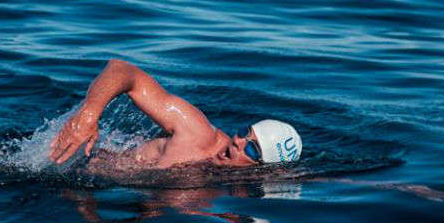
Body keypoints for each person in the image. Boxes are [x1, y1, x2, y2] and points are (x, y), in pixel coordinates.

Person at [49, 59, 302, 169]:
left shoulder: (216, 196)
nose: (238, 141)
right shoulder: (197, 133)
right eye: (245, 132)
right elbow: (122, 70)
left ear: (263, 170)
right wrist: (89, 115)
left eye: (251, 149)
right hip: (69, 161)